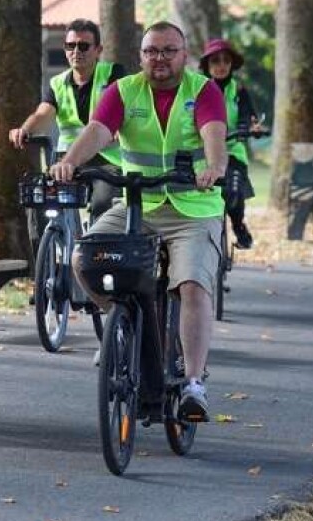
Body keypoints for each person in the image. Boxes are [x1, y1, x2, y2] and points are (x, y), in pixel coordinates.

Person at [53, 22, 227, 421]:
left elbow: (213, 133)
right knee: (84, 258)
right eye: (151, 52)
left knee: (193, 286)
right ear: (141, 56)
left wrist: (215, 166)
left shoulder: (203, 90)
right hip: (137, 206)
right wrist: (69, 163)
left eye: (169, 51)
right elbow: (98, 130)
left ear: (184, 55)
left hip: (192, 209)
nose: (159, 59)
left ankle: (194, 384)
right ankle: (123, 325)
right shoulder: (124, 90)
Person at [10, 18, 128, 218]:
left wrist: (117, 125)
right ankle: (48, 243)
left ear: (98, 50)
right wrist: (25, 130)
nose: (76, 52)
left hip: (107, 160)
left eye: (83, 46)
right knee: (41, 198)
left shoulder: (112, 74)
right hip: (67, 159)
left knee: (102, 206)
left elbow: (121, 106)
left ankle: (95, 246)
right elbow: (42, 113)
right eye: (70, 46)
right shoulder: (57, 83)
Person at [199, 38, 260, 250]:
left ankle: (238, 226)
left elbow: (249, 116)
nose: (221, 65)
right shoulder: (198, 89)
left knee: (234, 193)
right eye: (215, 61)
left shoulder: (239, 90)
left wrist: (248, 127)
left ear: (232, 64)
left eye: (226, 60)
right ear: (207, 65)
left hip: (233, 151)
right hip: (203, 153)